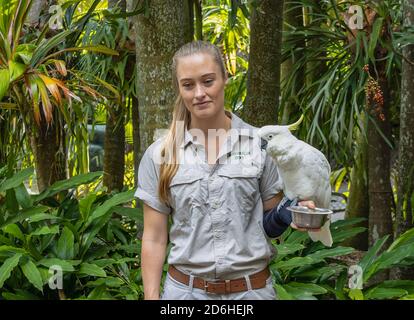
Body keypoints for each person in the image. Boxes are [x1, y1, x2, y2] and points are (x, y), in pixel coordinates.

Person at [135, 41, 318, 300]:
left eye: (208, 81)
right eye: (188, 85)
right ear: (179, 88)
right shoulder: (161, 154)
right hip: (184, 295)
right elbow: (154, 238)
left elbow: (268, 225)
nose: (199, 93)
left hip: (251, 293)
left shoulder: (260, 145)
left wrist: (290, 214)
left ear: (225, 79)